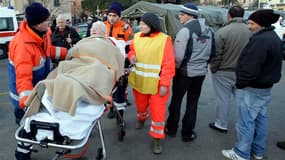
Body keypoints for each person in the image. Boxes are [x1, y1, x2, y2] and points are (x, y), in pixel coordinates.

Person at [8, 2, 68, 160]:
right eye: (47, 20)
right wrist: (27, 105)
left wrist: (67, 53)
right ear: (38, 23)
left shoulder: (43, 33)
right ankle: (22, 153)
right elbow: (23, 78)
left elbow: (48, 51)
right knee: (27, 128)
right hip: (25, 97)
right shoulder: (22, 46)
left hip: (39, 90)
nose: (50, 23)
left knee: (34, 126)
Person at [222, 9, 283, 160]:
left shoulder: (261, 40)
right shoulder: (273, 37)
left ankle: (241, 153)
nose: (249, 26)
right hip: (264, 87)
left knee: (245, 122)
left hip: (253, 88)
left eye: (252, 23)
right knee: (260, 120)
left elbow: (251, 67)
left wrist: (241, 83)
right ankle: (258, 151)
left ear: (261, 24)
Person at [165, 3, 214, 142]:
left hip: (184, 73)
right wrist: (203, 64)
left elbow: (178, 56)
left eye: (181, 14)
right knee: (193, 103)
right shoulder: (210, 30)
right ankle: (187, 133)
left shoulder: (185, 31)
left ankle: (171, 128)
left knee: (176, 101)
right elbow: (213, 51)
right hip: (201, 73)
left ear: (190, 15)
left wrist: (176, 69)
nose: (179, 16)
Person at [127, 12, 175, 154]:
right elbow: (131, 50)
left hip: (157, 85)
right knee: (141, 107)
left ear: (152, 25)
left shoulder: (164, 39)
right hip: (140, 82)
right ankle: (142, 118)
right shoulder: (136, 37)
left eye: (144, 24)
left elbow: (169, 64)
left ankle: (157, 139)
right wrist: (131, 56)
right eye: (140, 23)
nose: (140, 26)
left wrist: (165, 85)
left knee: (158, 114)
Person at [208, 6, 251, 133]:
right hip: (242, 72)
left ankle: (221, 123)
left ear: (229, 15)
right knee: (242, 100)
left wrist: (214, 68)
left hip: (223, 71)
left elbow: (216, 54)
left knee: (223, 99)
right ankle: (243, 125)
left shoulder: (222, 32)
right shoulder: (250, 31)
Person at [104, 1, 133, 119]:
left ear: (119, 16)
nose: (111, 18)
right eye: (110, 15)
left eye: (114, 15)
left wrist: (128, 63)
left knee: (120, 88)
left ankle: (119, 111)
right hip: (106, 62)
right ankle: (111, 107)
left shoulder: (125, 28)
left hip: (121, 62)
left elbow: (131, 46)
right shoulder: (103, 26)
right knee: (108, 88)